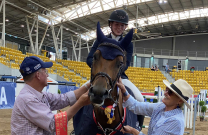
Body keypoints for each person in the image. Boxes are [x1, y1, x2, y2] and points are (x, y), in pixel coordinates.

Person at [86, 9, 144, 130]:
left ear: (125, 27)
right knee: (80, 95)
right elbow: (89, 58)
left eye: (122, 25)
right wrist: (102, 69)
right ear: (111, 24)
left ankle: (138, 126)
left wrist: (115, 71)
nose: (119, 27)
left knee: (139, 98)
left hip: (119, 77)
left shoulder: (128, 43)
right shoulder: (100, 39)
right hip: (100, 77)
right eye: (117, 24)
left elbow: (126, 63)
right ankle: (80, 125)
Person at [11, 56, 91, 134]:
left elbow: (64, 99)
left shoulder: (39, 95)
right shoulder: (28, 99)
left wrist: (89, 84)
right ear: (38, 75)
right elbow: (54, 123)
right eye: (45, 71)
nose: (47, 75)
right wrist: (80, 103)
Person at [117, 78, 193, 135]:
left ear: (179, 101)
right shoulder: (161, 107)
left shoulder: (176, 121)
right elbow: (136, 106)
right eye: (166, 89)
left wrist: (133, 131)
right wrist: (123, 90)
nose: (165, 93)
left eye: (170, 92)